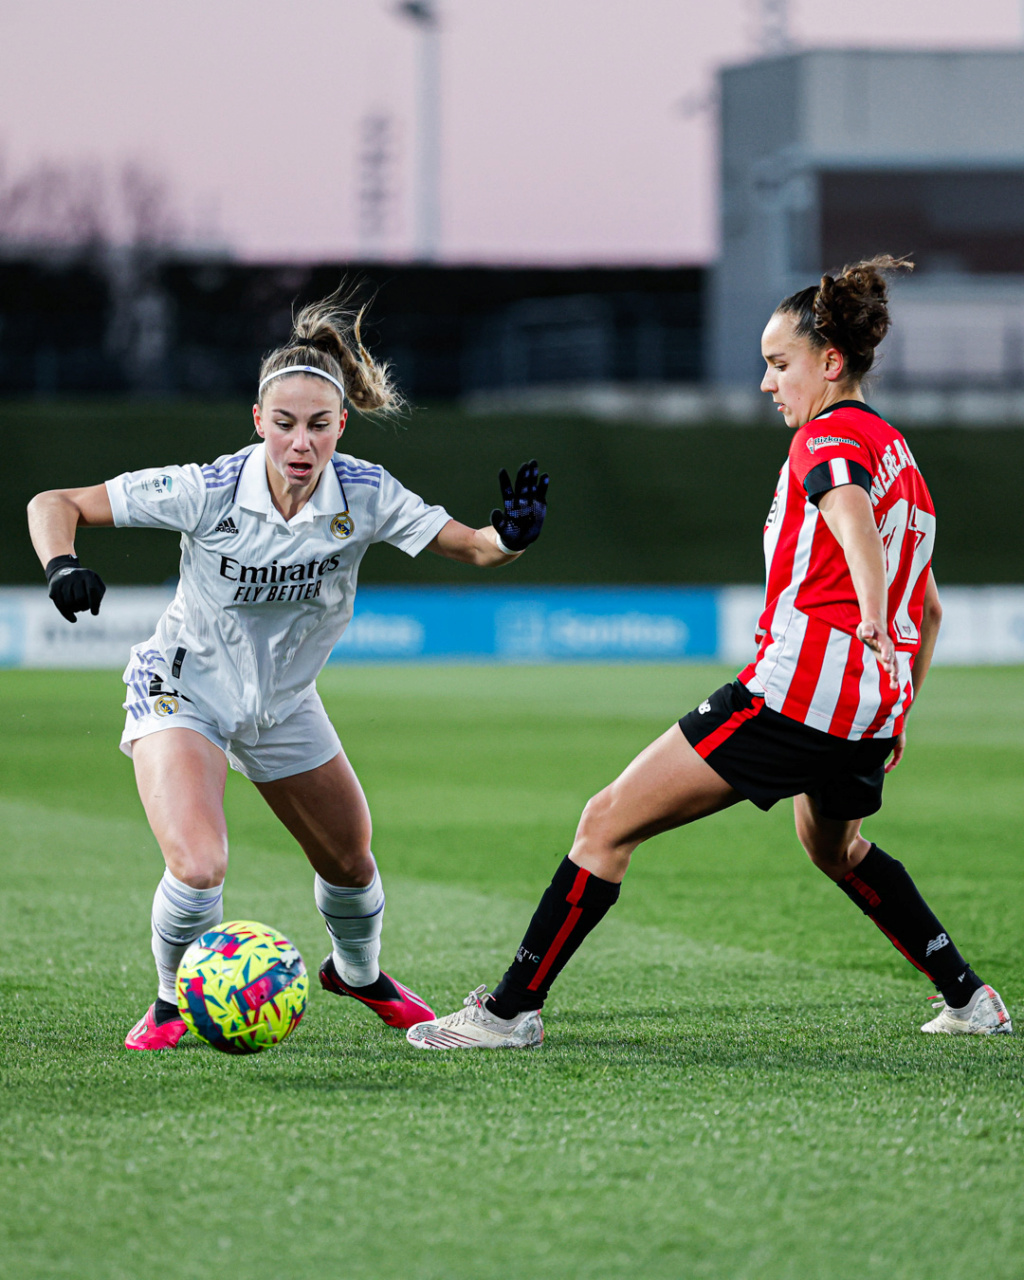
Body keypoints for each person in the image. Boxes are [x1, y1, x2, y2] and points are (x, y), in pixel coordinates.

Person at [407, 255, 1012, 1051]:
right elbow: (927, 608)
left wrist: (866, 606)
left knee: (605, 823)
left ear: (830, 363)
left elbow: (845, 503)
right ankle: (971, 999)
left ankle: (509, 1013)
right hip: (869, 704)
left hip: (798, 694)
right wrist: (897, 708)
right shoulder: (901, 455)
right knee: (834, 847)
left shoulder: (827, 440)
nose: (768, 383)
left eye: (779, 364)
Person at [26, 287, 549, 1051]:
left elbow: (472, 546)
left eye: (316, 426)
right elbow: (55, 501)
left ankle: (357, 973)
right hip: (184, 689)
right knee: (200, 867)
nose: (299, 443)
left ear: (340, 424)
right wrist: (61, 564)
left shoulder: (366, 494)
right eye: (283, 425)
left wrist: (511, 536)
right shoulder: (206, 489)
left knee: (352, 862)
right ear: (258, 423)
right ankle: (172, 1002)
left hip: (284, 703)